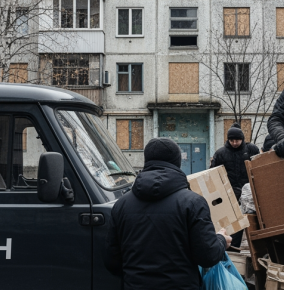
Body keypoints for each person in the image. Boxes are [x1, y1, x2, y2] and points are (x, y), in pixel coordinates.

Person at [104, 137, 231, 290]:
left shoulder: (121, 205)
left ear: (147, 161)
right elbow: (207, 256)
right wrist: (221, 240)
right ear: (177, 163)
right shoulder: (193, 203)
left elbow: (112, 262)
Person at [211, 122, 260, 248]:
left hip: (249, 193)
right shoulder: (221, 153)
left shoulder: (251, 149)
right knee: (234, 222)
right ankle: (233, 247)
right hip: (230, 193)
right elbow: (214, 173)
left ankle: (258, 246)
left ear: (242, 139)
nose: (234, 143)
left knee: (253, 220)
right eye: (232, 140)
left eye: (237, 140)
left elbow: (259, 166)